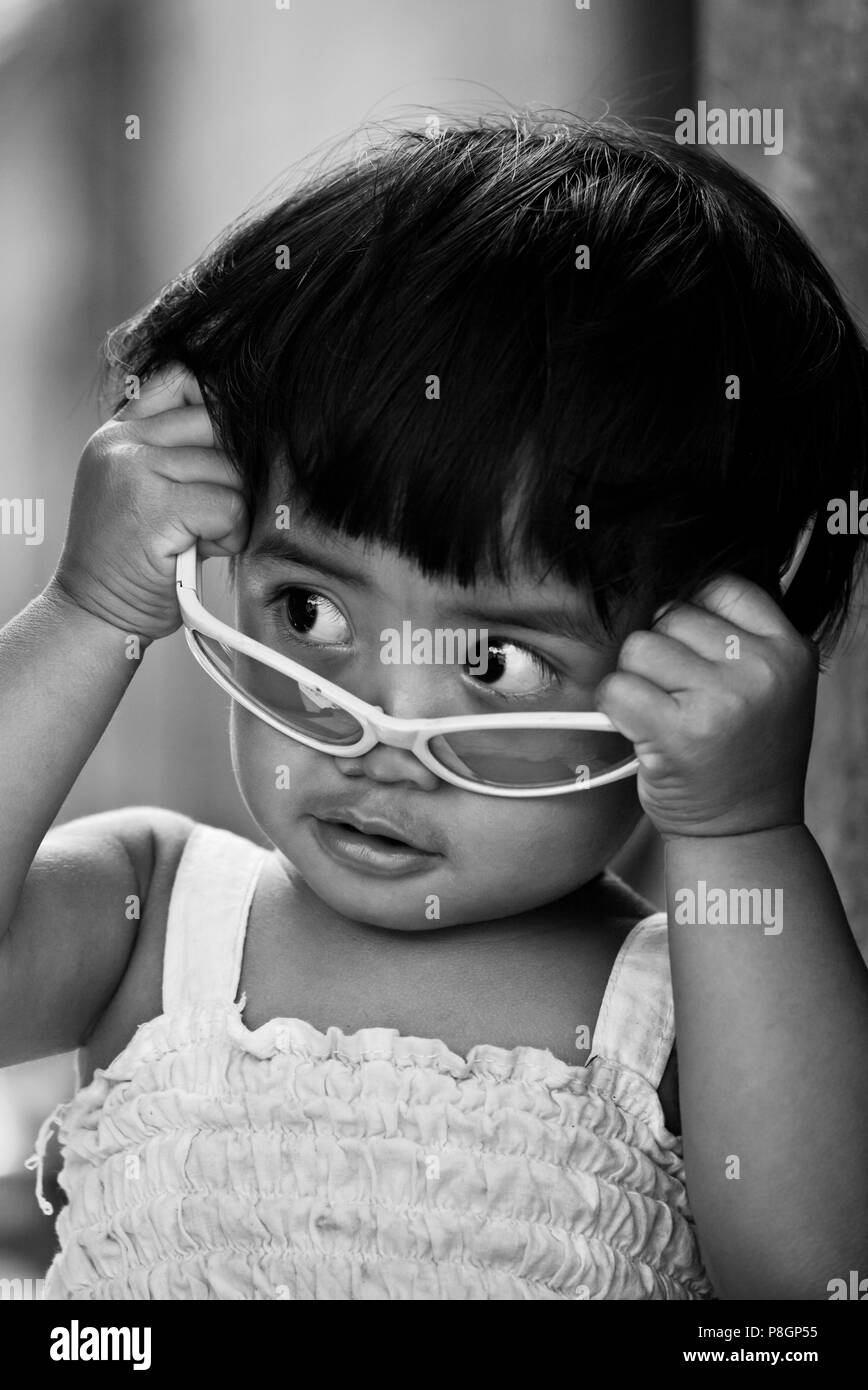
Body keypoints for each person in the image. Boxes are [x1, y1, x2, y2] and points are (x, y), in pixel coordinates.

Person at [2, 115, 866, 1300]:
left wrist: (740, 831)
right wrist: (89, 612)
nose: (375, 730)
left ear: (693, 668)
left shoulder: (679, 1018)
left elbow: (815, 1288)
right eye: (309, 611)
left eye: (499, 662)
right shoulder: (152, 918)